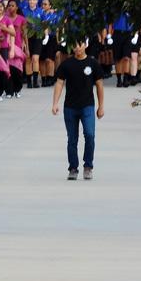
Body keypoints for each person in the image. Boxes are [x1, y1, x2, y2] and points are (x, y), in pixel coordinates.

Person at [51, 41, 105, 181]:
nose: (77, 48)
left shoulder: (93, 64)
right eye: (74, 45)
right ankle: (73, 168)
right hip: (70, 107)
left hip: (87, 106)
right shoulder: (66, 64)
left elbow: (99, 85)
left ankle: (88, 166)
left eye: (79, 45)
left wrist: (101, 106)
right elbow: (59, 83)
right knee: (72, 139)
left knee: (90, 134)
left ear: (85, 45)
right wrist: (55, 103)